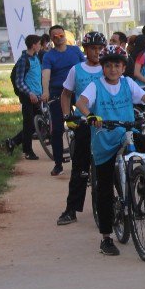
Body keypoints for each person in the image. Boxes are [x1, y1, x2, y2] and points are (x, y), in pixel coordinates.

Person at [75, 45, 145, 256]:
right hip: (104, 139)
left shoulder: (128, 83)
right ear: (102, 68)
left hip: (126, 133)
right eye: (108, 65)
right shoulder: (96, 86)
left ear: (124, 68)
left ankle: (143, 182)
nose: (113, 69)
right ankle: (106, 238)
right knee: (104, 188)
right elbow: (81, 102)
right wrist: (90, 115)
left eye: (117, 65)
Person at [56, 31, 107, 226]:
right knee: (80, 168)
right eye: (93, 48)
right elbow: (66, 94)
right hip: (84, 124)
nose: (97, 52)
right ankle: (71, 210)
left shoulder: (108, 68)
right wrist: (67, 116)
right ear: (85, 50)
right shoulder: (76, 70)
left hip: (106, 123)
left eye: (100, 48)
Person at [41, 25, 86, 176]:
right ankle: (58, 163)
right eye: (55, 37)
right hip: (58, 93)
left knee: (87, 121)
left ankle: (88, 158)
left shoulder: (75, 51)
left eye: (61, 35)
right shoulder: (49, 56)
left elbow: (85, 66)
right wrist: (45, 91)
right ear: (51, 39)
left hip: (77, 91)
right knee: (57, 129)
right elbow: (46, 75)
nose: (59, 38)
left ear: (65, 36)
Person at [4, 34, 43, 160]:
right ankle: (28, 151)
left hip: (37, 97)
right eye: (39, 44)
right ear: (33, 45)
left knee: (37, 125)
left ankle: (13, 142)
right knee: (29, 124)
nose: (40, 46)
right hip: (28, 97)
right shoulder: (23, 60)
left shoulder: (36, 58)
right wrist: (30, 93)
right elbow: (19, 82)